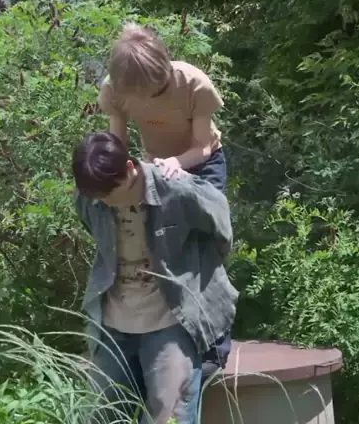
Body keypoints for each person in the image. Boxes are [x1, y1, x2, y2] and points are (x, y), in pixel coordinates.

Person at [72, 132, 238, 424]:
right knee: (104, 415)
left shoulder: (177, 189)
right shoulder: (90, 198)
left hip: (171, 318)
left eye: (113, 194)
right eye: (100, 198)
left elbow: (221, 230)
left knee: (169, 415)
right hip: (113, 319)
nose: (108, 203)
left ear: (129, 168)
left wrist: (194, 269)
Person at [98, 23, 229, 374]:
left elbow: (203, 147)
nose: (144, 102)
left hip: (202, 165)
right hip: (156, 168)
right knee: (164, 249)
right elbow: (117, 144)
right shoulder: (115, 87)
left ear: (164, 69)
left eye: (153, 93)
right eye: (137, 96)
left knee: (204, 249)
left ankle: (214, 348)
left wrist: (176, 163)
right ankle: (166, 341)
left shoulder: (194, 84)